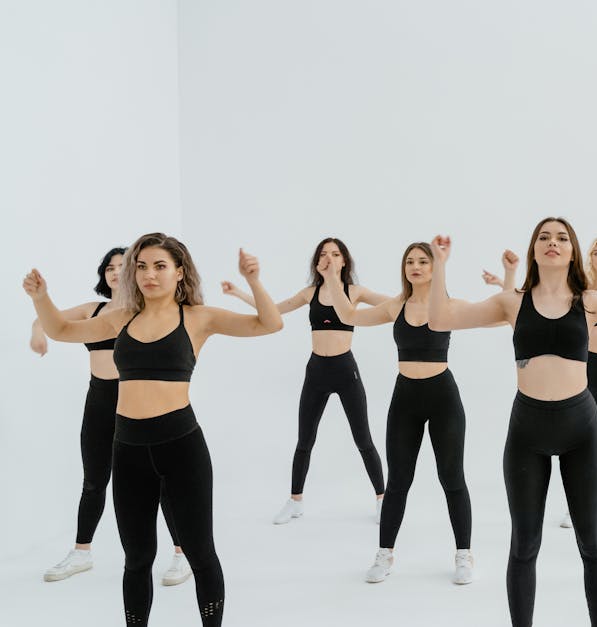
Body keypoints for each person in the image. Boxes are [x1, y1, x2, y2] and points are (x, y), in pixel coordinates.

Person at [25, 232, 283, 626]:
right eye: (141, 266)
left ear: (179, 272)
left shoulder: (198, 317)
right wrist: (40, 297)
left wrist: (253, 279)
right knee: (137, 559)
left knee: (199, 552)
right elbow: (62, 331)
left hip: (181, 447)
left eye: (160, 266)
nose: (149, 274)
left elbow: (270, 323)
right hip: (127, 448)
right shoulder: (120, 318)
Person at [429, 218, 597, 627]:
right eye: (544, 237)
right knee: (524, 546)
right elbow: (440, 320)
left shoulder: (593, 300)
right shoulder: (512, 301)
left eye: (562, 238)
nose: (552, 243)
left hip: (580, 429)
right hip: (527, 430)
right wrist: (440, 264)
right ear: (534, 249)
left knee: (592, 543)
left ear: (572, 251)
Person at [33, 247, 190, 586]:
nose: (116, 272)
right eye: (110, 268)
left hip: (138, 405)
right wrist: (37, 328)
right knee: (93, 480)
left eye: (124, 266)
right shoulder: (95, 310)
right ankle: (81, 552)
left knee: (160, 483)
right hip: (100, 401)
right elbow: (50, 320)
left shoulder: (144, 313)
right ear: (104, 275)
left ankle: (181, 554)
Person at [324, 243, 477, 585]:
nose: (415, 266)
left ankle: (464, 554)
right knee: (398, 482)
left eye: (424, 261)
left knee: (451, 477)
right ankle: (385, 553)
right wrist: (333, 277)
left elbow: (492, 313)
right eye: (410, 261)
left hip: (442, 397)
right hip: (405, 396)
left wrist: (507, 280)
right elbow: (349, 316)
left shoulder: (449, 305)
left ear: (435, 267)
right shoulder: (396, 305)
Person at [222, 237, 388, 524]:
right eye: (324, 254)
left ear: (344, 260)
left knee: (363, 439)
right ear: (317, 262)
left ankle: (383, 499)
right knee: (304, 440)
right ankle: (295, 501)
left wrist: (423, 297)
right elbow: (273, 308)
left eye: (336, 254)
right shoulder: (310, 292)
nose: (330, 259)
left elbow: (393, 305)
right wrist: (239, 293)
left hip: (345, 370)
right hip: (316, 372)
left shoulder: (355, 291)